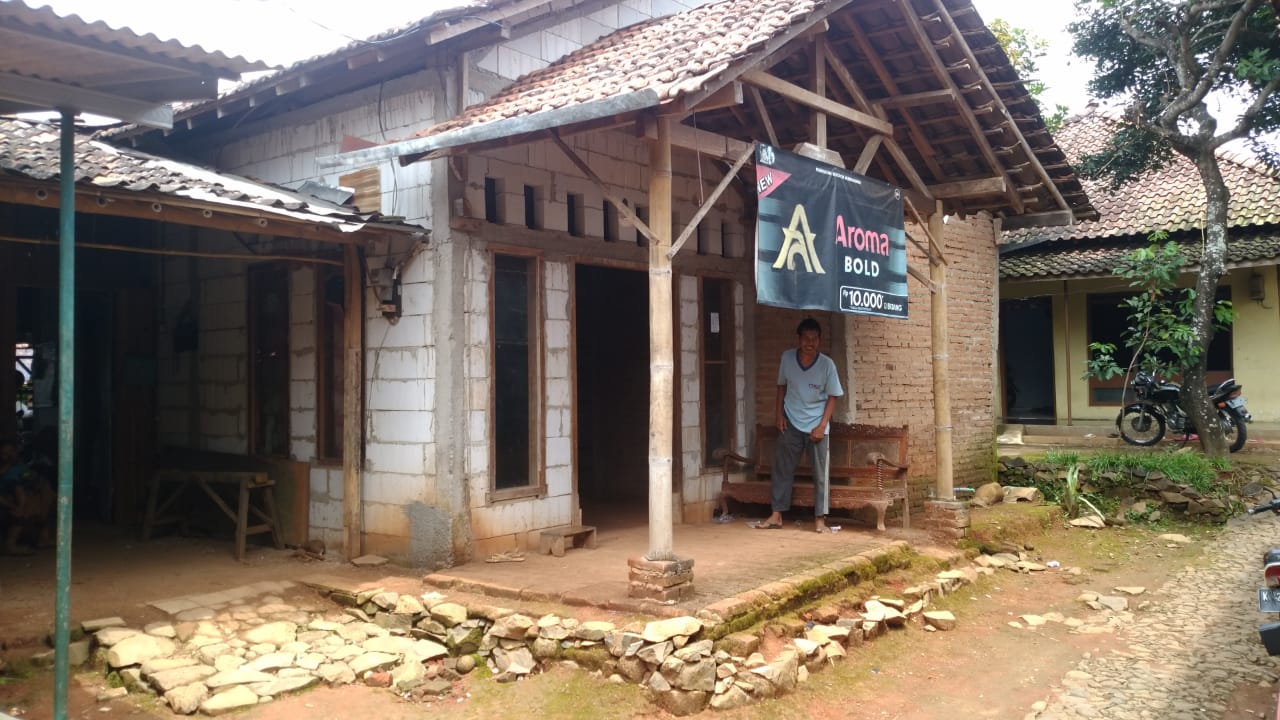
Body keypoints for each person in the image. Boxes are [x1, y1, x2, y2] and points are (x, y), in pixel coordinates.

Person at [751, 317, 844, 533]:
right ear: (799, 339)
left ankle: (820, 519)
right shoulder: (787, 358)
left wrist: (822, 426)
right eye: (806, 338)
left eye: (814, 339)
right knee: (782, 469)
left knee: (820, 474)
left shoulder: (827, 365)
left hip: (817, 426)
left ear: (819, 340)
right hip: (791, 421)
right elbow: (781, 387)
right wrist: (778, 415)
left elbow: (833, 397)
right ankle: (777, 514)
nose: (810, 343)